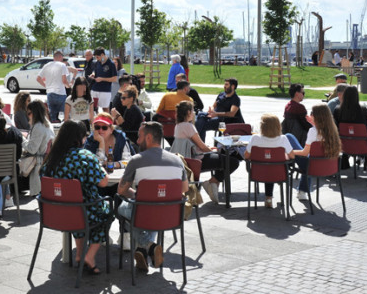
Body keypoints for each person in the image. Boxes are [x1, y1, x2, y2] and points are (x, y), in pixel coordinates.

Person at [117, 122, 188, 272]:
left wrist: (138, 194)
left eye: (139, 137)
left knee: (122, 208)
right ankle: (144, 251)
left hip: (144, 214)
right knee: (150, 208)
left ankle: (148, 247)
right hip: (172, 216)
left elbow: (121, 190)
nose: (136, 141)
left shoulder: (136, 159)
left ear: (148, 138)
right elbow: (184, 189)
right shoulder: (177, 161)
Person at [42, 120, 111, 275]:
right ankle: (90, 256)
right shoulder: (85, 157)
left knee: (77, 209)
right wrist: (99, 164)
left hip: (54, 214)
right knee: (107, 212)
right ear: (79, 138)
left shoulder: (51, 159)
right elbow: (104, 182)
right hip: (83, 212)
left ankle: (80, 254)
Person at [170, 100, 236, 204]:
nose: (194, 113)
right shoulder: (188, 126)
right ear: (188, 113)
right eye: (192, 111)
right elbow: (201, 146)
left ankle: (213, 183)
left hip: (187, 160)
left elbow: (195, 145)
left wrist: (210, 149)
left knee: (221, 157)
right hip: (196, 161)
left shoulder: (178, 126)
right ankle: (212, 182)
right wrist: (211, 150)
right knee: (232, 162)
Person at [244, 114, 302, 208]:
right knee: (273, 165)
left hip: (258, 173)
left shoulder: (255, 138)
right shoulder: (283, 139)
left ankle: (268, 198)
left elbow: (246, 155)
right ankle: (269, 197)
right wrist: (281, 156)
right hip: (279, 173)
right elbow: (292, 156)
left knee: (267, 165)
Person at [291, 105, 342, 200]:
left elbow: (304, 153)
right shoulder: (332, 131)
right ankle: (302, 191)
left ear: (317, 116)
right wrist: (313, 124)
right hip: (329, 167)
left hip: (313, 167)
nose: (310, 115)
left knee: (289, 137)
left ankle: (282, 164)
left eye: (312, 114)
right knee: (310, 157)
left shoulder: (313, 131)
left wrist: (290, 152)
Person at [333, 85, 367, 172]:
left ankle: (345, 163)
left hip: (344, 145)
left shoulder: (337, 110)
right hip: (363, 145)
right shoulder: (363, 110)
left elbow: (335, 126)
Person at [23, 100, 54, 196]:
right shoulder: (47, 123)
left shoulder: (38, 126)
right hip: (45, 159)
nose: (27, 116)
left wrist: (21, 138)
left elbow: (32, 149)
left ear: (34, 113)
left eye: (29, 113)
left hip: (37, 162)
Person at [36, 50, 71, 123]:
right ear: (61, 57)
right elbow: (64, 80)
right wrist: (68, 86)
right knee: (65, 116)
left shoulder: (47, 65)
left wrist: (46, 86)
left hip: (50, 93)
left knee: (53, 118)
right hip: (60, 93)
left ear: (54, 57)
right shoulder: (62, 65)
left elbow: (38, 79)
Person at [89, 48, 117, 113]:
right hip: (94, 89)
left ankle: (107, 122)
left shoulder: (111, 64)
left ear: (102, 55)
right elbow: (95, 71)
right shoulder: (97, 63)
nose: (97, 59)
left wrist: (102, 79)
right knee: (93, 108)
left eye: (97, 57)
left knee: (105, 109)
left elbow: (114, 78)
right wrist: (93, 74)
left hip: (105, 90)